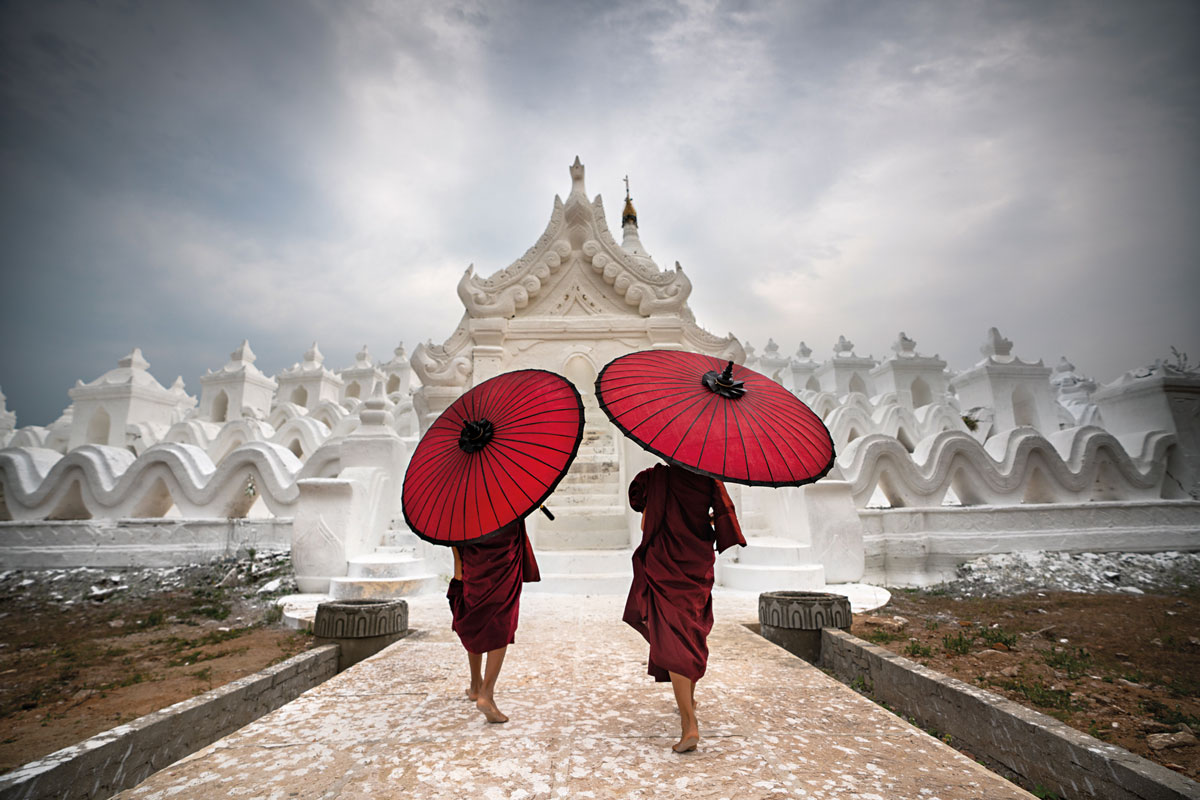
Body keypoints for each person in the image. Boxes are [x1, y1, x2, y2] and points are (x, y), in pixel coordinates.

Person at [622, 462, 745, 752]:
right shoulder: (709, 479)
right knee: (689, 634)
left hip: (664, 562)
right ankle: (688, 701)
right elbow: (725, 515)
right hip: (696, 563)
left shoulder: (653, 478)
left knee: (674, 639)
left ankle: (689, 724)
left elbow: (642, 512)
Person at [447, 517, 540, 723]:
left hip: (472, 557)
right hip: (504, 555)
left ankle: (475, 685)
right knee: (501, 620)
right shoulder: (506, 494)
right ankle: (486, 695)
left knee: (474, 616)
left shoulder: (460, 499)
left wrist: (458, 562)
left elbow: (449, 529)